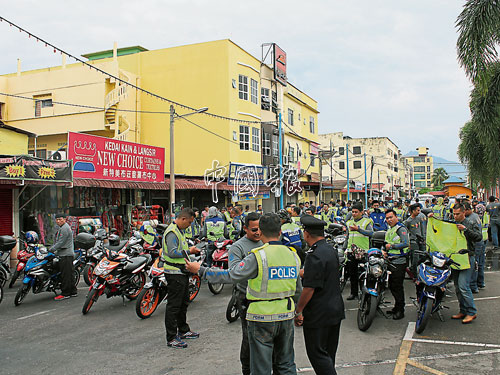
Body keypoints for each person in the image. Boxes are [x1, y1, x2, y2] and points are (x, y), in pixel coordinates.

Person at [185, 213, 302, 374]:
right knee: (286, 364)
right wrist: (299, 312)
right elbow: (298, 290)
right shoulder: (292, 255)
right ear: (280, 232)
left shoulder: (258, 256)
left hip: (261, 316)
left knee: (261, 367)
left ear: (260, 232)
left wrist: (201, 270)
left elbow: (231, 275)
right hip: (286, 315)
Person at [295, 215, 345, 375]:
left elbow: (309, 288)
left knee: (317, 355)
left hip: (318, 313)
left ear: (307, 234)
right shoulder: (330, 249)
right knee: (329, 354)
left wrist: (299, 310)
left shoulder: (314, 254)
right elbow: (323, 273)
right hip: (335, 309)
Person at [227, 212, 263, 375]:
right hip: (246, 298)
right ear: (245, 228)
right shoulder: (238, 247)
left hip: (266, 298)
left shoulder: (266, 242)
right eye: (254, 229)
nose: (258, 233)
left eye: (260, 229)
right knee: (249, 337)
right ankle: (247, 369)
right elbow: (234, 272)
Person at [162, 208, 201, 348]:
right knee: (174, 306)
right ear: (183, 219)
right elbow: (172, 253)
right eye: (189, 222)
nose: (189, 225)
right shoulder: (172, 232)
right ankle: (171, 337)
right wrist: (189, 251)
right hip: (174, 273)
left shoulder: (180, 231)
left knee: (183, 303)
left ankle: (183, 330)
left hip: (182, 272)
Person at [451, 203, 481, 324]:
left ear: (464, 212)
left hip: (468, 257)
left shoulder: (471, 223)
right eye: (454, 214)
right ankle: (463, 310)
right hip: (456, 258)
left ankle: (471, 312)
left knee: (463, 286)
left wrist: (466, 230)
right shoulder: (453, 223)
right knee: (457, 287)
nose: (455, 216)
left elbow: (478, 237)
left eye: (457, 214)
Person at [343, 203, 373, 300]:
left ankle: (364, 293)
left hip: (363, 252)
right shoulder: (349, 223)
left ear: (361, 212)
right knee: (352, 274)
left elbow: (371, 233)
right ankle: (353, 293)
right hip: (351, 252)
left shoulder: (367, 222)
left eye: (356, 212)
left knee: (364, 274)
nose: (354, 214)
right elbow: (347, 237)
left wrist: (358, 229)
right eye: (353, 212)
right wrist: (344, 249)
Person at [384, 209, 410, 320]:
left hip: (399, 261)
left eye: (391, 217)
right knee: (392, 286)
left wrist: (392, 247)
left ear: (396, 217)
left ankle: (400, 310)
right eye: (387, 218)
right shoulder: (390, 229)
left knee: (397, 286)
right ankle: (396, 307)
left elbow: (405, 243)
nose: (389, 220)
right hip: (390, 260)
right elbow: (386, 244)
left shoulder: (401, 229)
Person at [51, 213, 77, 300]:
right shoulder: (64, 227)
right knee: (69, 274)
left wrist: (52, 249)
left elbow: (61, 242)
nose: (58, 221)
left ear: (65, 219)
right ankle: (73, 291)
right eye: (57, 219)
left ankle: (65, 293)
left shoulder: (65, 229)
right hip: (67, 254)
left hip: (65, 255)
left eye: (60, 219)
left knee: (65, 275)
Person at [404, 204, 427, 276]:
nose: (419, 212)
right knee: (415, 258)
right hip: (413, 241)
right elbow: (405, 232)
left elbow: (423, 229)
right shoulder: (408, 221)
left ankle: (412, 268)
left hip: (421, 240)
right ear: (413, 211)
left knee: (424, 256)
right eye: (418, 210)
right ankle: (414, 274)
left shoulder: (419, 218)